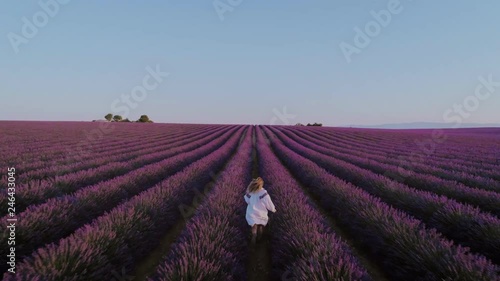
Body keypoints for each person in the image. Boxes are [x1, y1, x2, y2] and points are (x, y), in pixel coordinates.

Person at [244, 177, 276, 244]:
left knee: (254, 227)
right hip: (261, 214)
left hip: (252, 213)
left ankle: (253, 237)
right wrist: (273, 209)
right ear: (261, 185)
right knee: (261, 226)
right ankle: (259, 240)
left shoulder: (250, 191)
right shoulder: (264, 193)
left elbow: (247, 200)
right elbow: (268, 203)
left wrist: (252, 203)